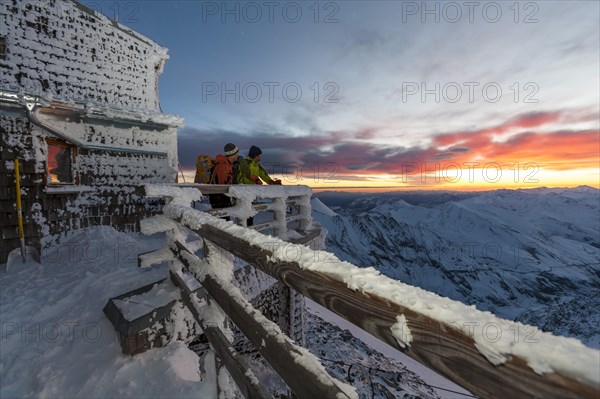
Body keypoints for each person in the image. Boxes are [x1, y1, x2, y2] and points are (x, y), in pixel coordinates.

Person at [209, 143, 241, 211]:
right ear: (232, 154)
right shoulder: (223, 166)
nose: (238, 154)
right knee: (224, 220)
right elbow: (222, 185)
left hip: (222, 199)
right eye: (237, 153)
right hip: (219, 199)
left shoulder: (228, 165)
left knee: (226, 220)